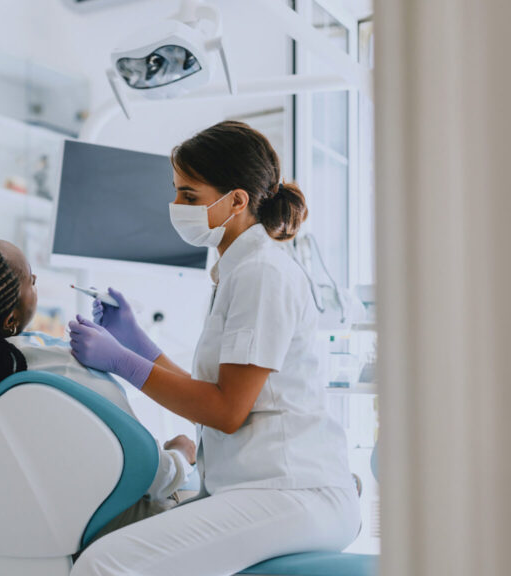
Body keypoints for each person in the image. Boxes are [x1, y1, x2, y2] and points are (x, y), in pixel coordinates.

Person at [67, 121, 360, 575]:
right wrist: (134, 339)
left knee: (104, 565)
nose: (175, 206)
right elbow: (207, 394)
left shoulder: (262, 273)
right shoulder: (236, 271)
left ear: (237, 201)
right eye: (176, 192)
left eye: (189, 196)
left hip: (292, 491)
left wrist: (121, 362)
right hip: (258, 488)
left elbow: (225, 411)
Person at [0, 238, 196, 524]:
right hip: (103, 536)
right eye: (31, 280)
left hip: (4, 532)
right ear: (11, 318)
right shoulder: (65, 371)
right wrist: (181, 456)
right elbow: (153, 478)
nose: (36, 281)